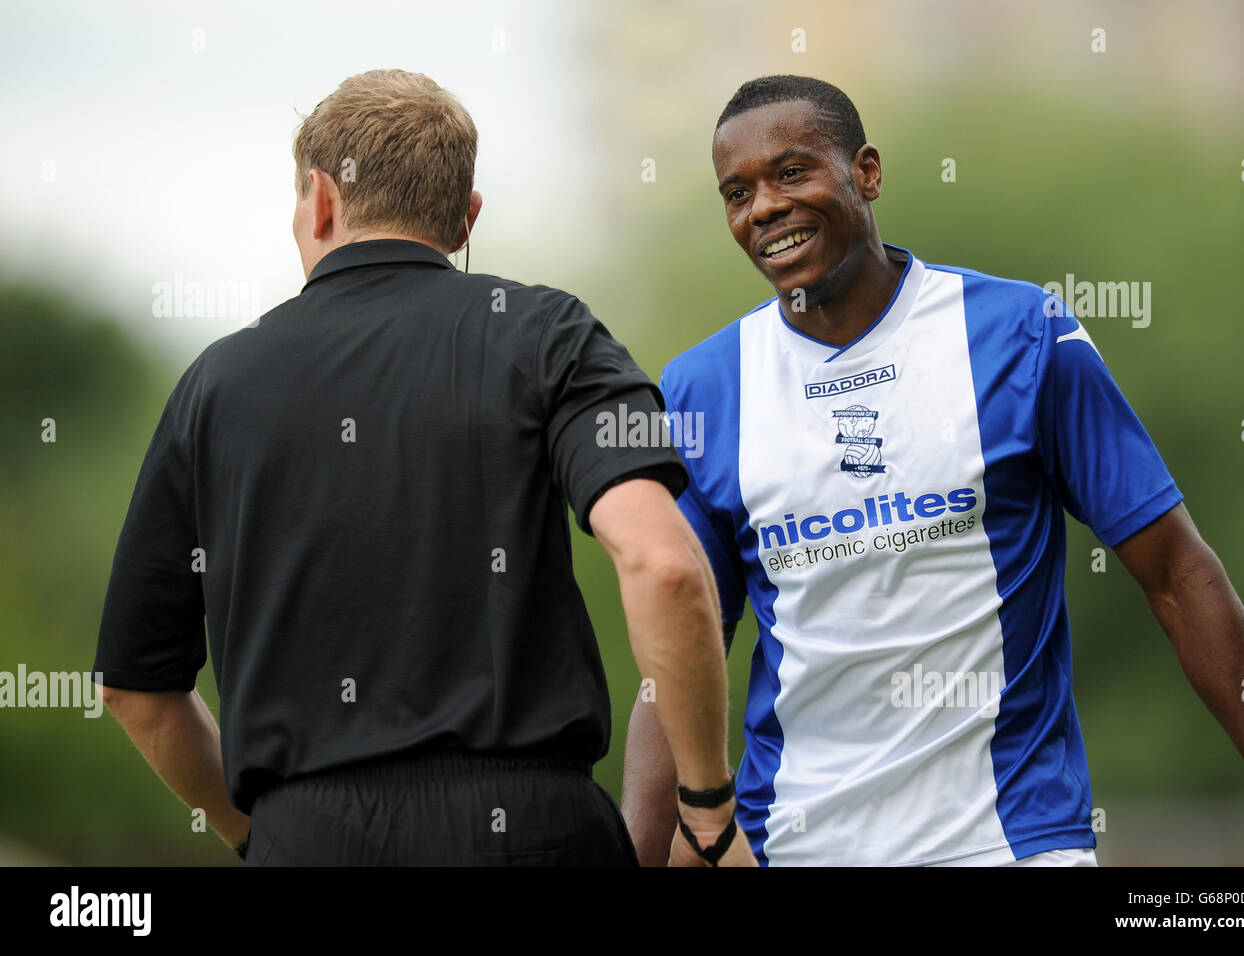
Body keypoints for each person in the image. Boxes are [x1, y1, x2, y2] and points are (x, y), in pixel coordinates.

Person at [621, 74, 1244, 867]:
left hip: (1012, 842)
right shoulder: (705, 387)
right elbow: (681, 642)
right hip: (798, 847)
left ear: (866, 172)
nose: (763, 207)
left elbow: (1176, 572)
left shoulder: (1021, 334)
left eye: (792, 172)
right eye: (737, 192)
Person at [92, 69, 754, 867]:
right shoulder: (550, 336)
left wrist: (262, 836)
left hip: (311, 839)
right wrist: (709, 812)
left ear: (321, 199)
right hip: (536, 834)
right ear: (466, 219)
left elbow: (135, 688)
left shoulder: (213, 385)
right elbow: (663, 565)